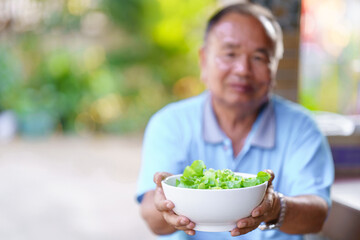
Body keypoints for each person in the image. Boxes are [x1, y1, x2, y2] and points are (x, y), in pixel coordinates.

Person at [136, 2, 334, 240]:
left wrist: (273, 208)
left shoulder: (302, 127)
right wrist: (164, 206)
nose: (243, 70)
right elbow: (151, 214)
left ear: (274, 66)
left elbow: (317, 215)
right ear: (203, 61)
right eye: (230, 54)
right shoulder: (170, 123)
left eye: (260, 57)